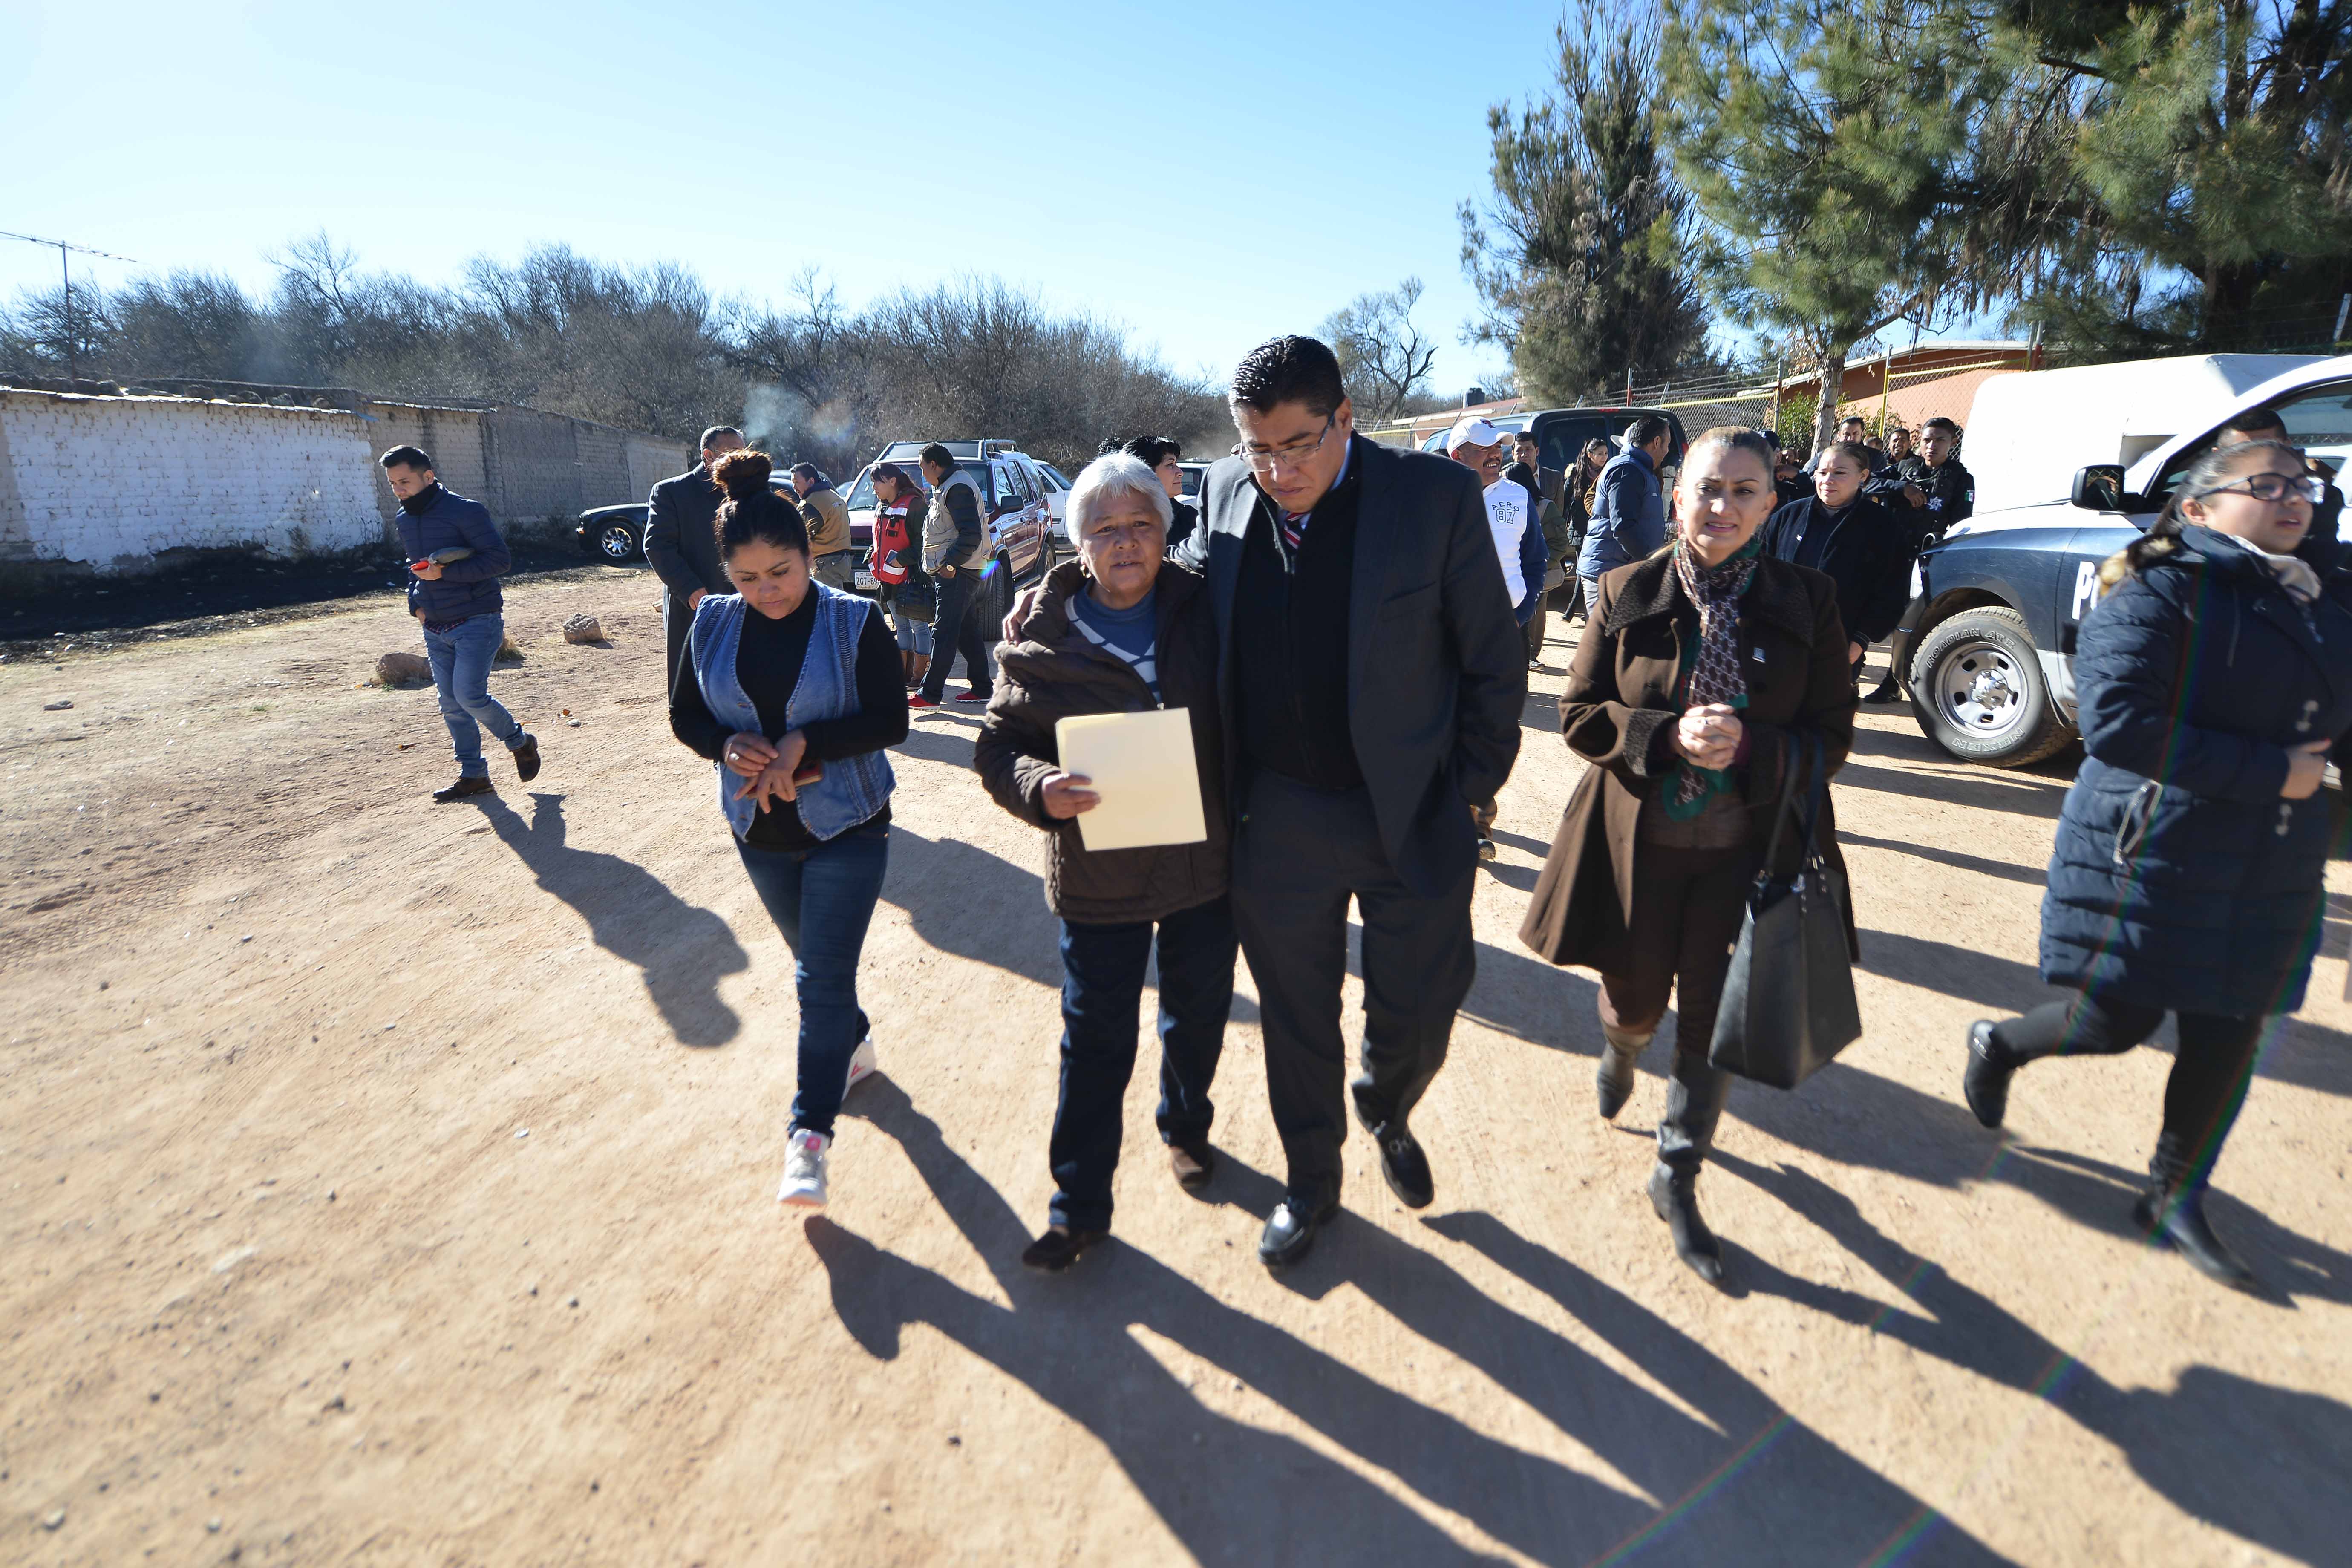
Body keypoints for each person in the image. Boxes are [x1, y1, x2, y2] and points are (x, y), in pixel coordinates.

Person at [1170, 335, 1525, 1268]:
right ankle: (1311, 1181)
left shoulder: (1434, 500)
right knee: (1295, 1016)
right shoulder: (1220, 491)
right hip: (1279, 814)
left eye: (1298, 444)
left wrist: (1468, 794)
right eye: (1257, 447)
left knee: (1423, 1002)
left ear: (1347, 419)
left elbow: (1494, 658)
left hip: (1410, 808)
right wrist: (1061, 593)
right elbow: (1176, 599)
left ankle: (1389, 1097)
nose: (1277, 470)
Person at [1962, 439, 2348, 1294]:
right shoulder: (2157, 588)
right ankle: (1998, 1042)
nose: (2295, 500)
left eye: (2305, 486)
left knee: (2231, 1031)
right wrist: (2271, 772)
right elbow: (2121, 725)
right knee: (2115, 1021)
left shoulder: (2325, 597)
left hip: (2274, 859)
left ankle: (2175, 1194)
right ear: (2202, 509)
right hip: (2156, 846)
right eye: (2270, 485)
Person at [1520, 426, 1858, 1286]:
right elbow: (1579, 712)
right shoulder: (1627, 588)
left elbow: (1834, 737)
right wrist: (1665, 735)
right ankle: (1622, 1045)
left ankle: (1677, 1170)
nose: (1724, 507)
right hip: (1637, 847)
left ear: (1770, 504)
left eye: (1745, 491)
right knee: (1635, 1000)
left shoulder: (1810, 600)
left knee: (1712, 1021)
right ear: (1677, 497)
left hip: (1745, 855)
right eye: (1708, 488)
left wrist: (1753, 746)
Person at [975, 453, 1235, 1273]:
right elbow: (998, 748)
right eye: (1105, 530)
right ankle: (1078, 1205)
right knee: (1095, 1042)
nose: (1126, 544)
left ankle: (1186, 1128)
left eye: (1142, 526)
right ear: (1074, 541)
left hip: (1205, 866)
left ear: (1167, 534)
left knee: (1196, 1014)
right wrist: (1037, 786)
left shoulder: (1206, 611)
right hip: (1099, 876)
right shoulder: (1040, 639)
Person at [669, 450, 908, 1209]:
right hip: (758, 832)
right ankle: (855, 1047)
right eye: (746, 579)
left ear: (811, 553)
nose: (765, 592)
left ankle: (809, 1137)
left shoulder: (855, 619)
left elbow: (890, 719)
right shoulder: (708, 621)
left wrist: (810, 742)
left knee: (817, 982)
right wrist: (723, 745)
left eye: (781, 572)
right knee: (818, 964)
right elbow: (687, 715)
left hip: (850, 828)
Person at [382, 444, 542, 803]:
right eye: (393, 484)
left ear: (428, 476)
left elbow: (500, 560)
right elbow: (414, 567)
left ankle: (520, 742)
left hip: (476, 620)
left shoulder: (466, 512)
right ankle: (474, 776)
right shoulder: (405, 519)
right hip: (435, 625)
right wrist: (416, 605)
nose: (399, 490)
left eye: (404, 481)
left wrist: (445, 576)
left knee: (469, 696)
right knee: (451, 704)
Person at [1448, 417, 1545, 862]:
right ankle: (1468, 821)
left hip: (1506, 630)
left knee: (1493, 725)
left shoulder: (1518, 496)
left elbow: (1535, 560)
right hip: (1449, 636)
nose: (1496, 454)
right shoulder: (1438, 499)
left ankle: (1477, 816)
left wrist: (1521, 616)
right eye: (1484, 447)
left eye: (1498, 446)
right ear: (1458, 455)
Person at [1761, 441, 1912, 687]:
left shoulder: (1883, 526)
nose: (1828, 480)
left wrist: (1859, 642)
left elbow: (1891, 591)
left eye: (1840, 473)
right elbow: (1760, 572)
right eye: (1822, 472)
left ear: (1863, 476)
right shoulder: (1787, 517)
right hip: (1781, 643)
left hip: (1840, 646)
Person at [1860, 416, 1973, 703]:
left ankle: (1893, 682)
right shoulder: (1904, 468)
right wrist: (1902, 489)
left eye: (1940, 440)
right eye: (1927, 440)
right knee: (1867, 609)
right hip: (1889, 551)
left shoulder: (1960, 479)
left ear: (1953, 443)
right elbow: (1868, 483)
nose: (1932, 446)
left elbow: (1962, 523)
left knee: (1909, 620)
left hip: (1924, 558)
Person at [646, 426, 746, 688]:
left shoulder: (747, 493)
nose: (740, 461)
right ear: (708, 455)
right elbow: (657, 546)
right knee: (694, 680)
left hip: (743, 599)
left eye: (743, 453)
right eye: (732, 454)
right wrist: (689, 588)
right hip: (695, 602)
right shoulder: (672, 493)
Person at [913, 442, 993, 709]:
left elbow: (971, 534)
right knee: (965, 631)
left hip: (958, 572)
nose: (922, 474)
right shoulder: (950, 485)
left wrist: (950, 565)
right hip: (961, 570)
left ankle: (930, 693)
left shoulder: (957, 487)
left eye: (923, 468)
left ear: (935, 465)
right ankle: (983, 687)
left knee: (945, 631)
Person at [2216, 407, 2345, 568]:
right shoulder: (2201, 496)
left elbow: (2319, 556)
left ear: (2287, 447)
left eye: (2270, 449)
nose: (2260, 460)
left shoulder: (2317, 496)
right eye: (2244, 452)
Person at [1575, 415, 1673, 614]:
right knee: (1607, 643)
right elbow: (1623, 527)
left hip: (1622, 572)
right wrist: (1653, 562)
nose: (1668, 451)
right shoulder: (1627, 470)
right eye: (1668, 444)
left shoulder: (1642, 470)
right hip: (1609, 576)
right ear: (1656, 442)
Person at [1507, 429, 1571, 664]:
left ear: (1537, 452)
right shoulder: (1504, 478)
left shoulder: (1552, 480)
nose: (1524, 454)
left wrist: (1543, 563)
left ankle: (1532, 654)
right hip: (1510, 563)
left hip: (1535, 562)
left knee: (1536, 609)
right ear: (1513, 453)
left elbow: (1559, 522)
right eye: (1519, 450)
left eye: (1528, 449)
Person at [867, 461, 933, 688]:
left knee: (919, 627)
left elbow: (923, 543)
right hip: (888, 581)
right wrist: (870, 556)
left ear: (892, 481)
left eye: (877, 482)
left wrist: (900, 559)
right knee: (900, 626)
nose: (873, 487)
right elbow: (877, 541)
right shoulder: (882, 507)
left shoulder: (915, 506)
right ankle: (904, 675)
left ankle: (921, 677)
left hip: (912, 580)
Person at [1559, 437, 1611, 624]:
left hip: (1598, 527)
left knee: (1585, 569)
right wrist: (1560, 522)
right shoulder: (1576, 472)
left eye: (1606, 454)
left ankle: (1572, 609)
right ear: (1590, 455)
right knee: (1583, 568)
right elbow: (1564, 499)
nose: (1603, 457)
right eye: (1599, 454)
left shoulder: (1608, 473)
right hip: (1580, 528)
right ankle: (1573, 608)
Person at [1123, 435, 1201, 553]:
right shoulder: (1118, 520)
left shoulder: (1190, 520)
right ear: (1145, 473)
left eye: (1176, 464)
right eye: (1170, 465)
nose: (1180, 472)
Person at [789, 463, 857, 590]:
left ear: (811, 482)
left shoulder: (812, 503)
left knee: (830, 607)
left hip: (827, 565)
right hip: (842, 561)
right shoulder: (835, 496)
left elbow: (799, 536)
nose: (794, 487)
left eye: (797, 482)